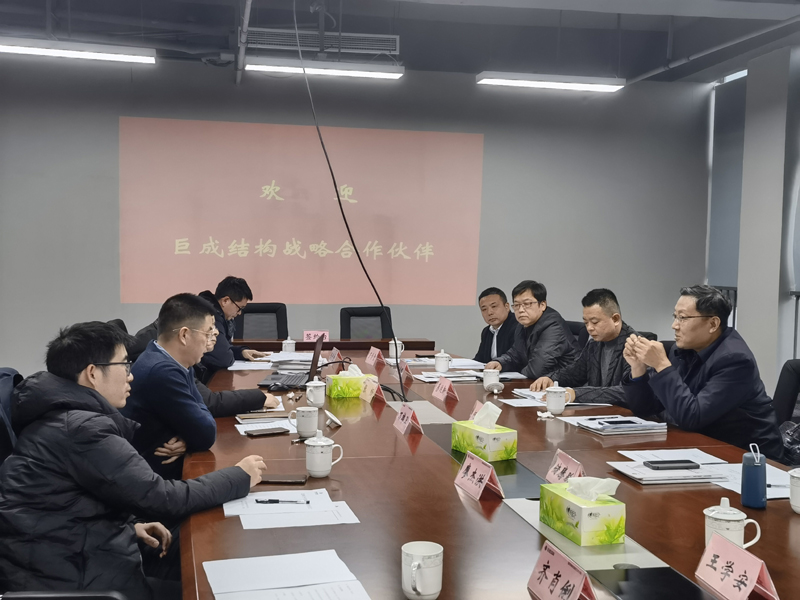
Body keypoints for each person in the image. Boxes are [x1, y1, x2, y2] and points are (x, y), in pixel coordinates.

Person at [0, 321, 266, 600]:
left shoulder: (64, 416)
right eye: (124, 365)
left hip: (73, 557)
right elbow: (162, 497)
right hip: (76, 579)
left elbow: (67, 504)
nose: (131, 376)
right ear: (93, 373)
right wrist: (240, 475)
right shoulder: (81, 429)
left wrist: (129, 527)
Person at [622, 285, 784, 461]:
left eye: (682, 318)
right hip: (703, 447)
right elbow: (646, 408)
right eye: (675, 316)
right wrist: (638, 368)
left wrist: (661, 365)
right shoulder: (683, 349)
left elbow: (692, 417)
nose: (674, 325)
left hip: (748, 458)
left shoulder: (735, 360)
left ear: (713, 324)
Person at [121, 294, 219, 479]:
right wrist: (193, 435)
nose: (209, 340)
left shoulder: (164, 357)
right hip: (155, 479)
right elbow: (207, 433)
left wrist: (189, 437)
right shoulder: (162, 371)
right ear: (184, 335)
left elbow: (202, 416)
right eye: (207, 333)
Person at [125, 318, 278, 418]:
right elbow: (208, 405)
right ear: (185, 334)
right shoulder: (162, 361)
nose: (215, 333)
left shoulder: (168, 351)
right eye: (208, 330)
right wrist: (259, 397)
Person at [530, 288, 635, 405]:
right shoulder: (594, 344)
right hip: (599, 411)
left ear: (615, 319)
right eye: (586, 322)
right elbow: (575, 372)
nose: (589, 328)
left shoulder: (635, 346)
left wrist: (576, 394)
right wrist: (551, 378)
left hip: (624, 413)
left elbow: (628, 392)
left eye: (595, 322)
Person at [485, 280, 578, 379]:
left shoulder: (553, 325)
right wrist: (500, 363)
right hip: (540, 382)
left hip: (565, 383)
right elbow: (515, 354)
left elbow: (537, 370)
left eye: (527, 304)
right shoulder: (522, 325)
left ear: (542, 305)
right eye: (516, 305)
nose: (521, 310)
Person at [198, 276, 268, 379]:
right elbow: (222, 358)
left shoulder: (218, 314)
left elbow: (222, 349)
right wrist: (231, 353)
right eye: (239, 308)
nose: (239, 313)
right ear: (225, 301)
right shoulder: (210, 316)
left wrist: (241, 352)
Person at [474, 287, 519, 363]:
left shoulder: (518, 327)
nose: (489, 312)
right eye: (484, 309)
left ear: (507, 307)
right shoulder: (486, 331)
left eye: (494, 306)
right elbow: (479, 360)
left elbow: (515, 359)